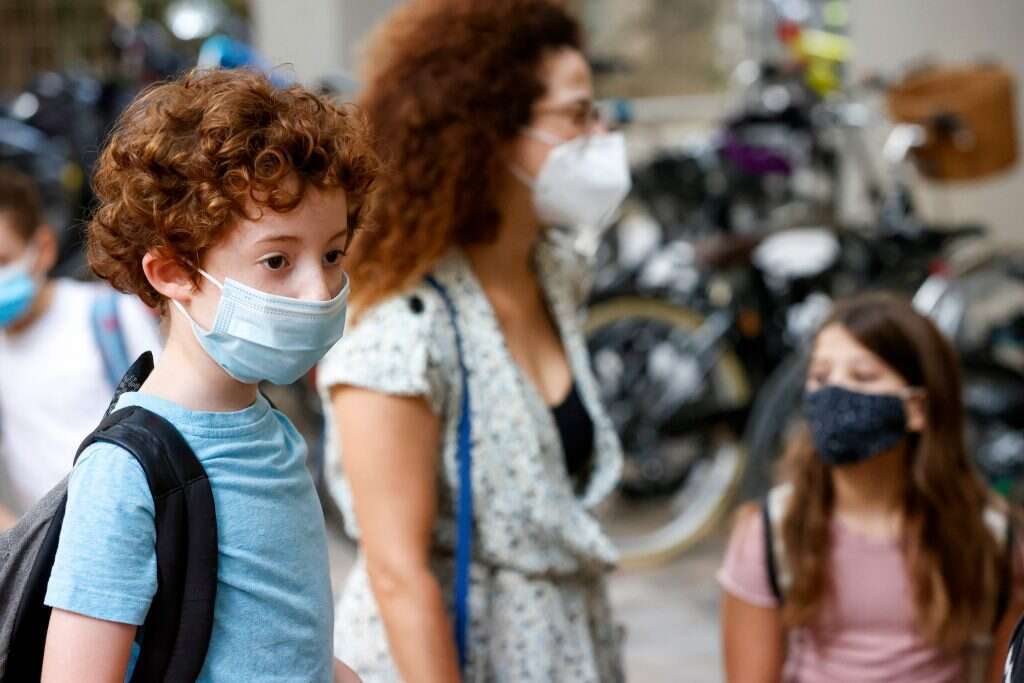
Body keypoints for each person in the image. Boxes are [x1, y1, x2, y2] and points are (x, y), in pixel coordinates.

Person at [317, 1, 631, 681]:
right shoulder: (405, 328)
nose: (601, 135)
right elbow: (398, 574)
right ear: (489, 132)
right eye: (577, 116)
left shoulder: (553, 271)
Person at [39, 68, 376, 682]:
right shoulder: (127, 470)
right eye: (277, 260)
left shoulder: (267, 428)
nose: (319, 290)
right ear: (172, 271)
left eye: (332, 254)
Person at [719, 293, 1024, 683]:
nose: (833, 394)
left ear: (916, 407)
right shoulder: (770, 534)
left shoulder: (992, 538)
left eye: (862, 377)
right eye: (820, 376)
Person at [0, 168, 160, 528]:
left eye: (3, 261)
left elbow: (170, 419)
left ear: (42, 248)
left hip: (131, 531)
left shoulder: (108, 315)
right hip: (45, 551)